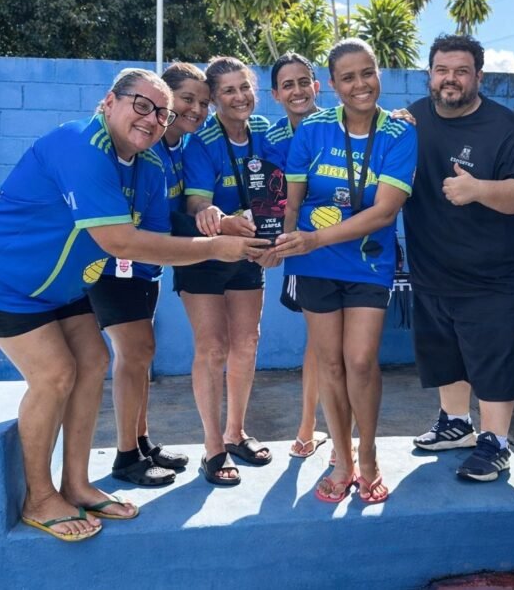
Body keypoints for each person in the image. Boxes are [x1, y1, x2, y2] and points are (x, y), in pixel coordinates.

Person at [0, 68, 267, 542]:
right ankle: (39, 497)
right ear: (109, 102)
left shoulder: (150, 166)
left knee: (95, 361)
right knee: (55, 374)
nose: (153, 119)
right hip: (0, 278)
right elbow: (121, 241)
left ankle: (77, 484)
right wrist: (215, 247)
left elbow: (157, 239)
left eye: (162, 114)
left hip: (63, 286)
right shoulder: (80, 145)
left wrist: (222, 229)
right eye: (142, 105)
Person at [273, 39, 418, 504]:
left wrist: (315, 239)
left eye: (367, 73)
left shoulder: (399, 133)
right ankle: (342, 458)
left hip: (368, 261)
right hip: (313, 263)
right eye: (348, 77)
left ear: (379, 74)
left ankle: (368, 454)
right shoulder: (313, 129)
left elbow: (384, 212)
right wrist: (284, 246)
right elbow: (292, 203)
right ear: (332, 85)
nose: (360, 84)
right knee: (330, 362)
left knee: (359, 360)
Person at [403, 34, 514, 482]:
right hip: (432, 269)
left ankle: (496, 442)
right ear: (429, 75)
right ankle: (456, 424)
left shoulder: (505, 128)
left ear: (478, 77)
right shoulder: (412, 119)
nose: (451, 79)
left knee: (494, 361)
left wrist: (479, 189)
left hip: (494, 277)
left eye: (461, 71)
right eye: (442, 70)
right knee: (444, 354)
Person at [87, 63, 210, 487]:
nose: (195, 109)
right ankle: (125, 456)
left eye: (203, 102)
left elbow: (166, 219)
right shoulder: (137, 146)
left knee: (142, 353)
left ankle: (140, 442)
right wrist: (214, 242)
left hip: (146, 265)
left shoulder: (176, 148)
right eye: (186, 100)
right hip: (113, 264)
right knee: (133, 352)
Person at [178, 56, 272, 486]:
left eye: (244, 87)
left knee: (247, 344)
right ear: (214, 100)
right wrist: (212, 213)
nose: (239, 97)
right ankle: (213, 446)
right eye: (228, 91)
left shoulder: (266, 132)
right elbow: (197, 202)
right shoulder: (203, 141)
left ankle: (236, 433)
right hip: (206, 254)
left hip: (248, 253)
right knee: (212, 348)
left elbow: (310, 129)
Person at [260, 52, 328, 460]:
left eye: (304, 82)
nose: (298, 91)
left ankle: (345, 438)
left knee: (353, 348)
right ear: (275, 94)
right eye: (288, 84)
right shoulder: (272, 141)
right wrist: (274, 245)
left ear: (316, 86)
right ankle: (307, 428)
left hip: (349, 247)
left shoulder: (342, 124)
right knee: (319, 341)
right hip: (305, 251)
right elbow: (275, 202)